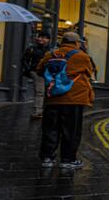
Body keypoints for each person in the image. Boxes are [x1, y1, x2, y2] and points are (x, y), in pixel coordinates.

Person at [36, 31, 95, 169]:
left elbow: (39, 70)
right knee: (71, 130)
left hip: (53, 97)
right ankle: (68, 160)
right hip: (74, 98)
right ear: (76, 43)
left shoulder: (50, 55)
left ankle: (47, 158)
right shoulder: (83, 56)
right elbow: (90, 71)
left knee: (50, 128)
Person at [21, 31, 51, 119]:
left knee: (48, 92)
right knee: (40, 91)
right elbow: (23, 59)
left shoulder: (51, 50)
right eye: (40, 37)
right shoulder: (32, 48)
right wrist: (29, 70)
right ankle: (38, 111)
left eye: (44, 37)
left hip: (49, 73)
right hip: (37, 72)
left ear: (48, 40)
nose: (41, 39)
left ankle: (45, 110)